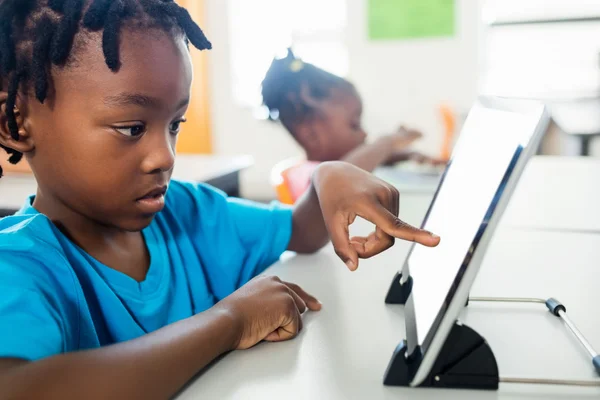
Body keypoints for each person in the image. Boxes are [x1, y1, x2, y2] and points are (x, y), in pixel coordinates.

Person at [0, 0, 440, 398]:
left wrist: (330, 175)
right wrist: (229, 322)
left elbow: (301, 232)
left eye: (174, 124)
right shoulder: (16, 265)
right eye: (132, 128)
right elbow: (19, 388)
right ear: (16, 124)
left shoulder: (187, 213)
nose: (164, 156)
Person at [262, 50, 446, 202]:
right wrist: (387, 142)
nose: (364, 134)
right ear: (311, 134)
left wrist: (408, 155)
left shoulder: (327, 165)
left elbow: (358, 162)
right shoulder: (306, 175)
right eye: (354, 124)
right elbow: (343, 173)